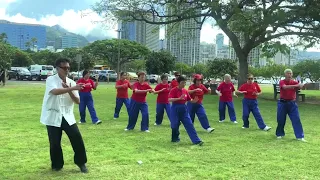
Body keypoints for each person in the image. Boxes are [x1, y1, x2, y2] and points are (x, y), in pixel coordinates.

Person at [40, 58, 88, 173]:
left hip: (67, 116)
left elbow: (77, 101)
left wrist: (70, 89)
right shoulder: (51, 79)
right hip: (52, 115)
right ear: (57, 68)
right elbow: (55, 91)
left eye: (68, 68)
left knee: (77, 139)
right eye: (64, 68)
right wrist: (72, 88)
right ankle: (57, 165)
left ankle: (81, 163)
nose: (67, 70)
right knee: (55, 142)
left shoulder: (72, 82)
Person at [169, 75, 204, 145]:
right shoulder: (173, 90)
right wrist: (179, 98)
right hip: (175, 109)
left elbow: (189, 99)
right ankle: (175, 138)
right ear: (178, 83)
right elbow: (169, 99)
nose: (184, 84)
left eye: (185, 83)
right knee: (175, 125)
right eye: (182, 83)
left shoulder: (185, 91)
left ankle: (196, 140)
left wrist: (193, 101)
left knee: (189, 124)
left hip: (184, 109)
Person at [276, 69, 305, 141]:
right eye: (288, 73)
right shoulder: (282, 81)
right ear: (285, 74)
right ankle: (279, 134)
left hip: (292, 103)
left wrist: (301, 85)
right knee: (281, 119)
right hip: (282, 103)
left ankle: (300, 136)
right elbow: (285, 87)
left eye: (290, 73)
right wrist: (296, 85)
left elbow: (300, 87)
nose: (289, 75)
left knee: (296, 119)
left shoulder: (294, 82)